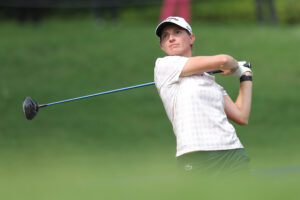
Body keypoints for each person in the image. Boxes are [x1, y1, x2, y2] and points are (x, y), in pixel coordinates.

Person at [154, 16, 253, 176]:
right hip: (195, 154)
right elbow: (223, 59)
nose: (171, 38)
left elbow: (241, 116)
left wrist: (245, 76)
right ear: (162, 46)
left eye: (177, 32)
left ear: (191, 38)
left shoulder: (211, 81)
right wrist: (233, 65)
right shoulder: (164, 66)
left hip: (232, 152)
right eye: (165, 36)